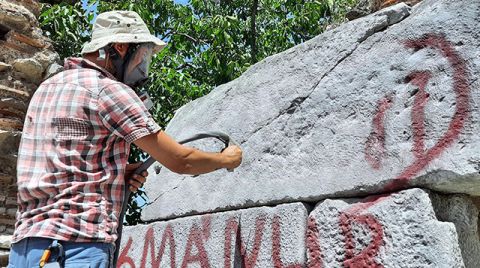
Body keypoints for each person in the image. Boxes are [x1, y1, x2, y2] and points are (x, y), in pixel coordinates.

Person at [8, 10, 242, 268]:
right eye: (143, 55)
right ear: (120, 47)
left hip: (26, 248)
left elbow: (64, 161)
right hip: (75, 248)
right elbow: (181, 160)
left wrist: (118, 172)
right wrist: (225, 159)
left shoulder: (47, 88)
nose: (143, 67)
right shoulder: (108, 90)